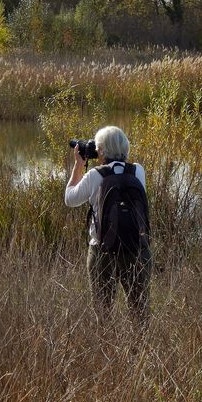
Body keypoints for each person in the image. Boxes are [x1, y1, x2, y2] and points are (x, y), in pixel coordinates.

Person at [64, 125, 152, 325]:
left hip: (102, 252)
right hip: (137, 248)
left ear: (101, 150)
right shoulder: (138, 171)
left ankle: (107, 350)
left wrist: (78, 165)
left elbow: (70, 199)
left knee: (103, 310)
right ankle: (140, 352)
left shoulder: (96, 175)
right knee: (140, 311)